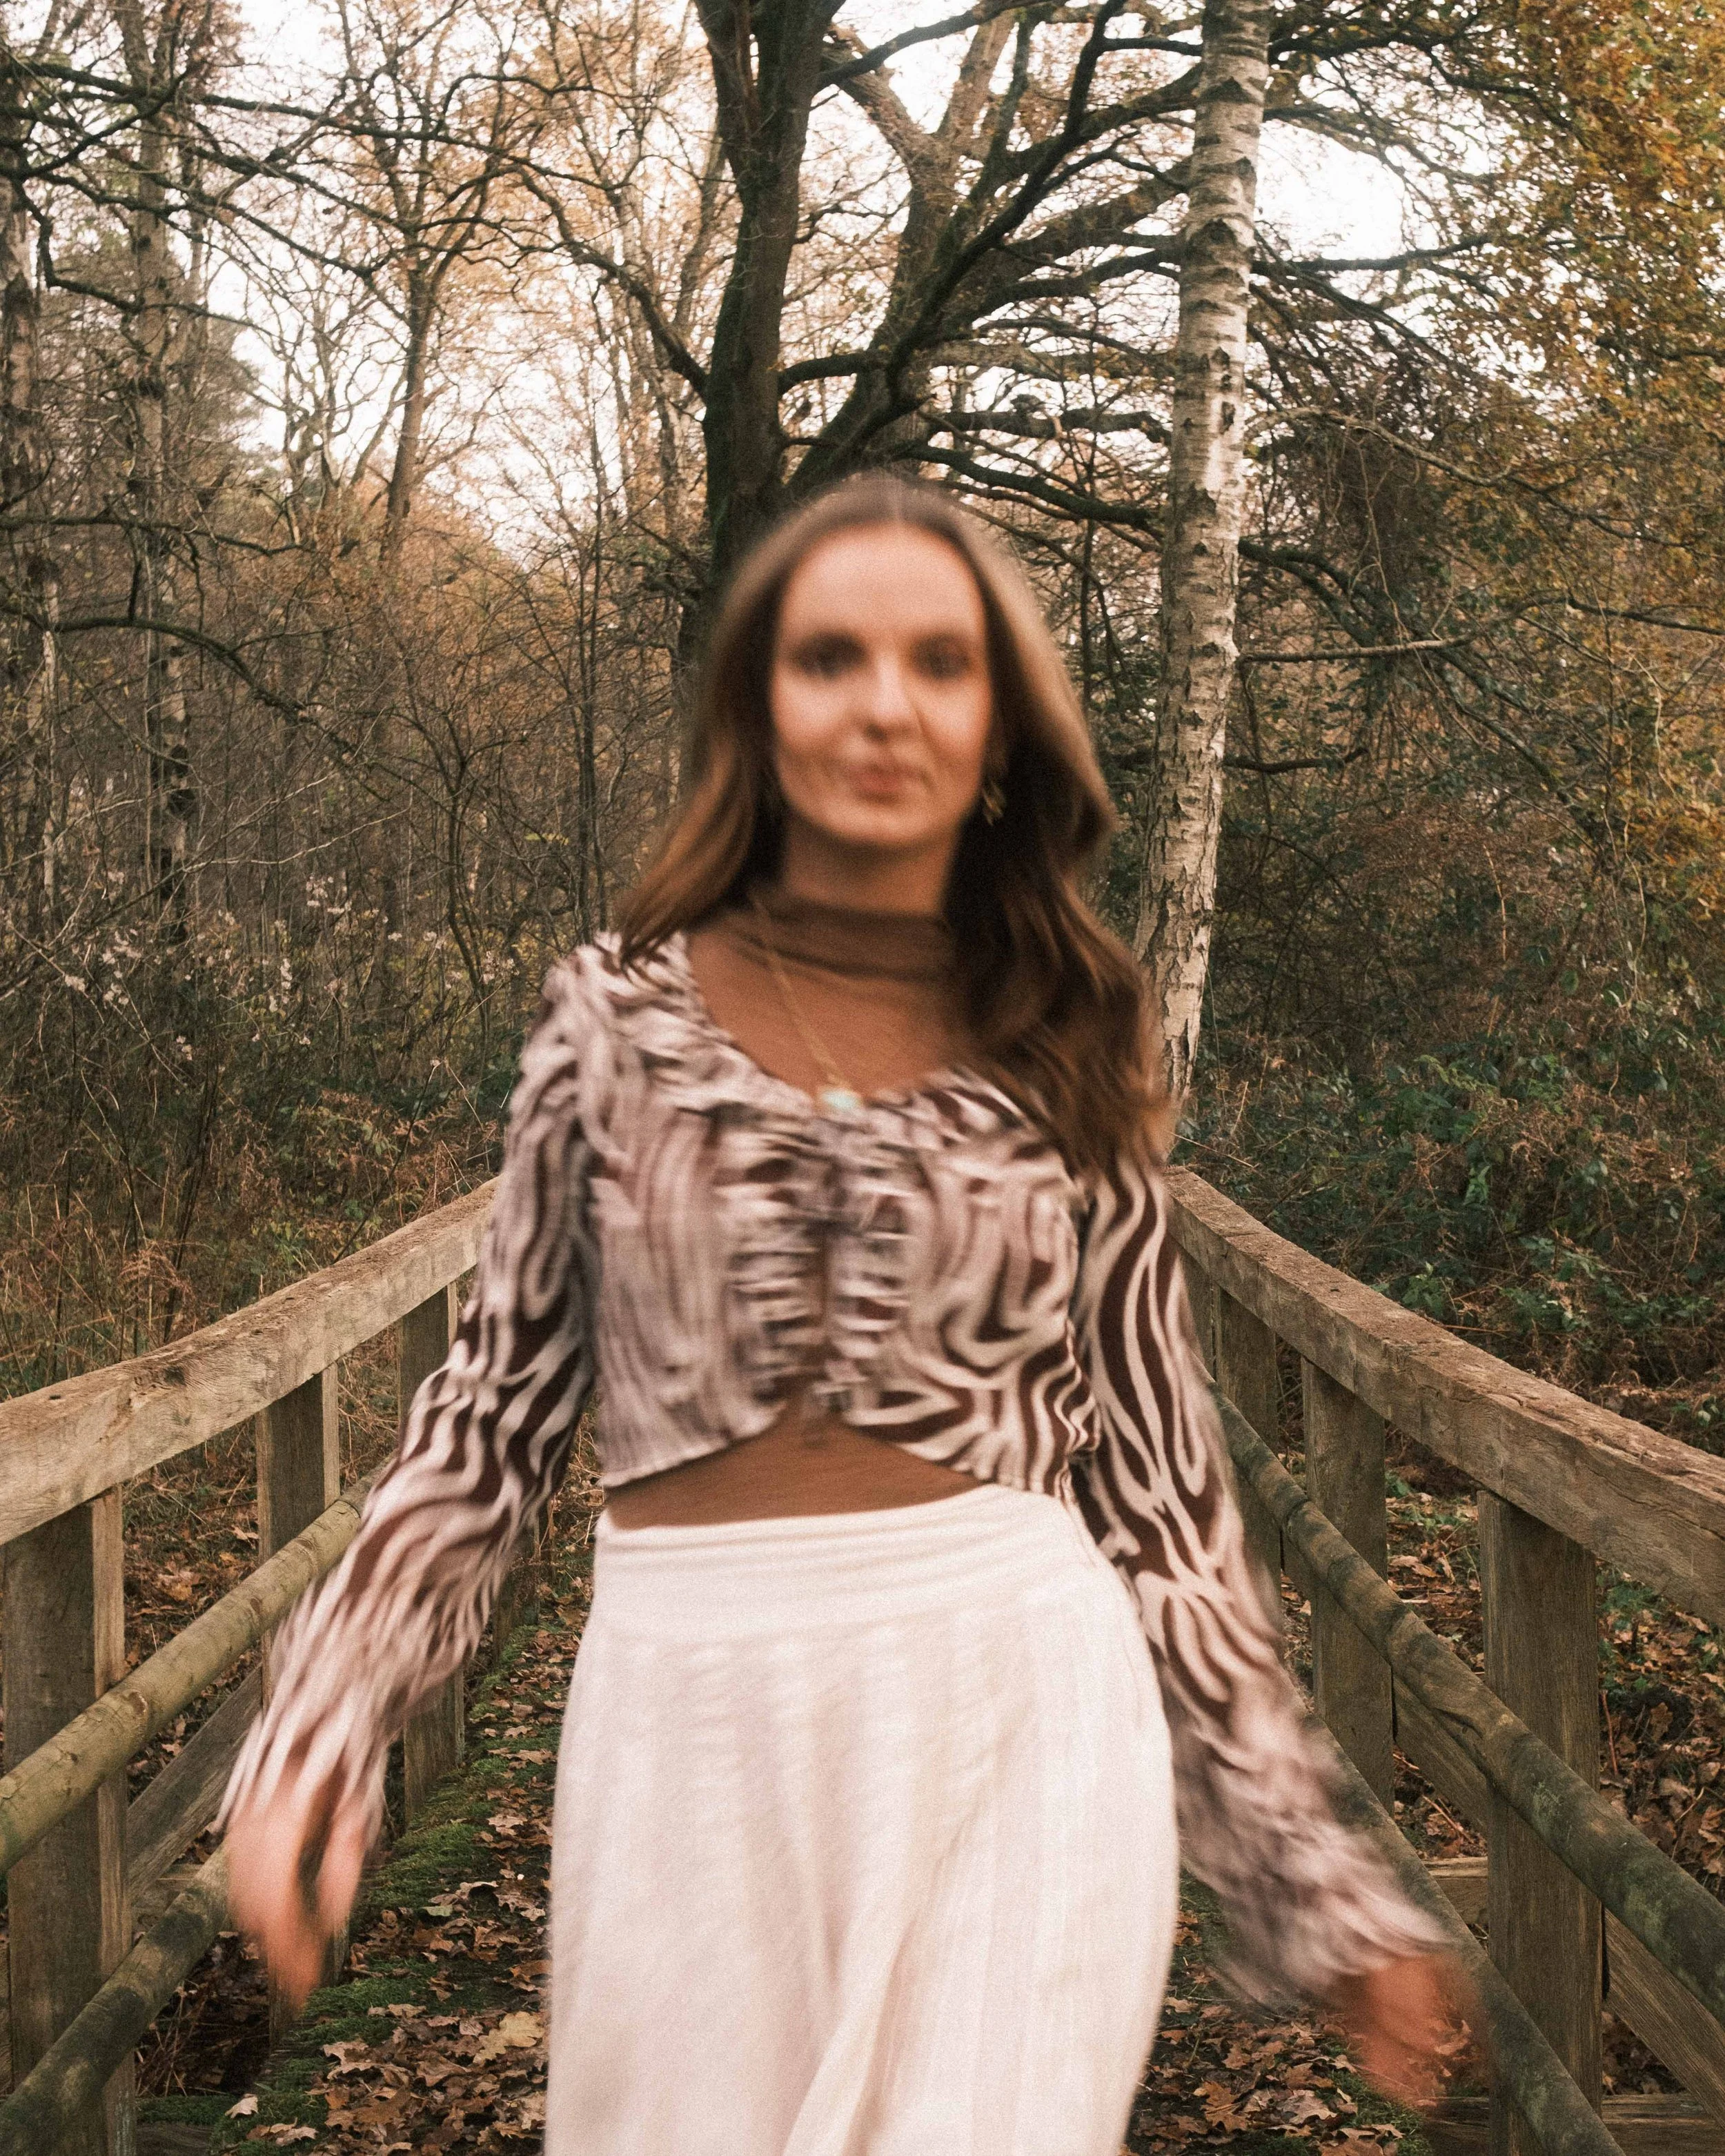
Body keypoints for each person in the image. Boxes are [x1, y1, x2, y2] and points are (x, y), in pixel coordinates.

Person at [221, 475, 1461, 2155]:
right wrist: (328, 1713)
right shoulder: (607, 1021)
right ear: (757, 705)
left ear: (1000, 725)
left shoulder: (1066, 1041)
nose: (883, 703)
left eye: (939, 663)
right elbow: (490, 1413)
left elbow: (1162, 1499)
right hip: (687, 1725)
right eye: (830, 658)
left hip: (1011, 1706)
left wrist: (1306, 1874)